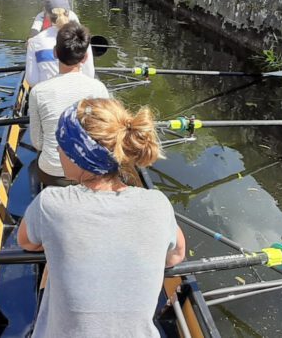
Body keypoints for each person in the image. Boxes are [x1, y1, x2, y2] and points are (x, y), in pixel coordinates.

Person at [17, 98, 186, 338]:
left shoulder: (50, 203)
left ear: (78, 155)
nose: (57, 150)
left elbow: (25, 243)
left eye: (61, 145)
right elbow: (176, 256)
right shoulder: (158, 203)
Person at [27, 23, 110, 188]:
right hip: (89, 170)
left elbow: (37, 143)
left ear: (55, 53)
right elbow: (105, 135)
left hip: (52, 173)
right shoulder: (99, 88)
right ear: (85, 57)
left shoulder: (38, 91)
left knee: (38, 163)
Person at [25, 15, 94, 87]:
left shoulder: (35, 40)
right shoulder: (80, 36)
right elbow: (89, 75)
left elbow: (32, 82)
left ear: (55, 52)